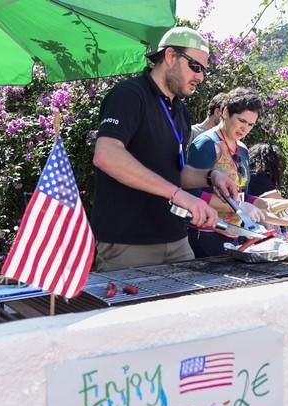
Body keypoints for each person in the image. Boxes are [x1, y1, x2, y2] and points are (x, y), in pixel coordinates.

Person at [91, 27, 237, 271]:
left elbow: (174, 172)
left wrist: (210, 176)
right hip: (130, 242)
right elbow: (106, 155)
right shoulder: (128, 95)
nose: (200, 77)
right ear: (170, 56)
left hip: (176, 238)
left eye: (204, 70)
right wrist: (178, 195)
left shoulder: (179, 110)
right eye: (195, 66)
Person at [185, 87, 266, 257]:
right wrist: (239, 207)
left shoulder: (242, 149)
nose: (245, 129)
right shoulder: (206, 144)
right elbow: (191, 193)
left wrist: (264, 205)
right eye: (241, 121)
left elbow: (242, 194)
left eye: (250, 124)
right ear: (225, 112)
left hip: (234, 233)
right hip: (205, 233)